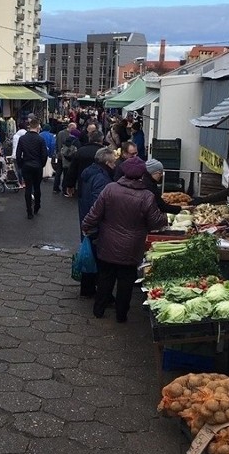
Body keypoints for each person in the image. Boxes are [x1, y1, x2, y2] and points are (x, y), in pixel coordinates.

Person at [82, 156, 167, 322]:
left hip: (107, 243)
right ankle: (121, 316)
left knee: (106, 277)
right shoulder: (146, 196)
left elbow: (95, 212)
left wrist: (86, 226)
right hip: (132, 247)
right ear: (142, 174)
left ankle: (98, 310)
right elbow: (156, 222)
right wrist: (165, 217)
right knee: (126, 282)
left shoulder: (110, 189)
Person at [76, 147, 117, 297]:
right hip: (96, 224)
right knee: (99, 258)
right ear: (107, 162)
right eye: (113, 163)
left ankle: (87, 289)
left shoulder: (89, 172)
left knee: (91, 256)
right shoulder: (101, 178)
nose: (115, 165)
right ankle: (102, 294)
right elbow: (99, 203)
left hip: (86, 217)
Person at [16, 118, 49, 219]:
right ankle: (37, 205)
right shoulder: (40, 139)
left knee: (28, 188)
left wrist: (21, 165)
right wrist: (41, 164)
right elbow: (44, 155)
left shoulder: (22, 139)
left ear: (29, 126)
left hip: (26, 165)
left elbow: (18, 155)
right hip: (37, 166)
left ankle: (29, 211)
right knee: (37, 187)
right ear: (38, 127)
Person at [64, 129, 104, 197]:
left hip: (83, 184)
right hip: (101, 185)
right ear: (101, 139)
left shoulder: (80, 151)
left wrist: (70, 185)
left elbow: (72, 169)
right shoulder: (105, 153)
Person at [53, 122, 76, 193]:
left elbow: (57, 144)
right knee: (65, 173)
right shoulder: (69, 135)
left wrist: (58, 152)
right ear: (71, 127)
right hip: (65, 157)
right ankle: (64, 188)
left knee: (58, 172)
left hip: (59, 155)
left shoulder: (60, 133)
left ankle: (56, 187)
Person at [10, 123, 28, 189]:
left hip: (15, 155)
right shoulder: (27, 135)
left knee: (18, 169)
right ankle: (25, 182)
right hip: (24, 155)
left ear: (18, 127)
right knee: (24, 169)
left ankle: (20, 182)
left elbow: (14, 146)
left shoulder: (15, 136)